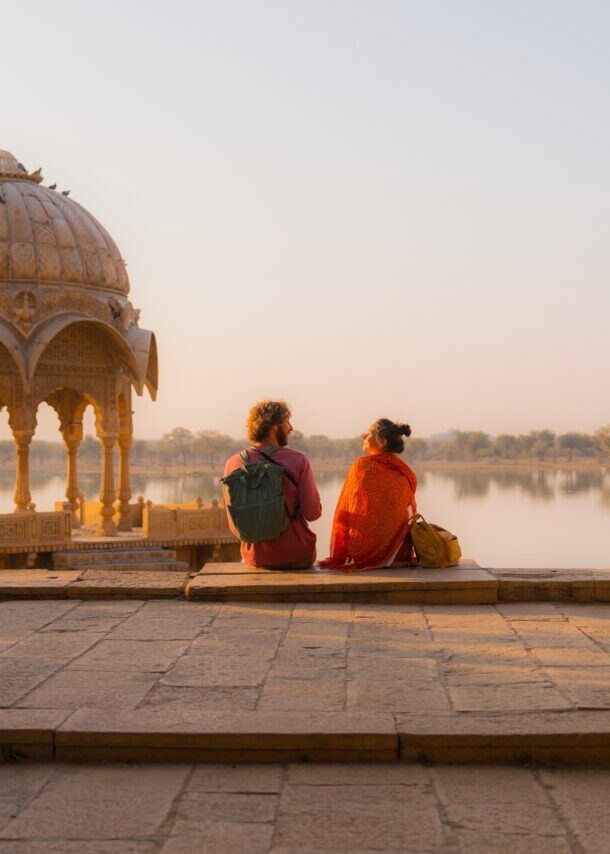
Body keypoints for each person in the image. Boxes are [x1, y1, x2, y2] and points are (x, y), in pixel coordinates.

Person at [223, 399, 322, 569]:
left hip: (254, 558)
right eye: (287, 421)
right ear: (275, 426)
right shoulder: (296, 460)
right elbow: (312, 513)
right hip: (297, 554)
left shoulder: (233, 463)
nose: (291, 427)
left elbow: (234, 527)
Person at [319, 418, 417, 571]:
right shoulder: (402, 470)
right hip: (398, 554)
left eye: (368, 433)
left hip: (365, 554)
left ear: (382, 440)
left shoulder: (363, 466)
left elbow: (351, 513)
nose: (362, 436)